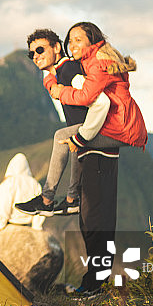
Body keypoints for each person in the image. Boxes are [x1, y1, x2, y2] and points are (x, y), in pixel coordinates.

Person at [30, 22, 147, 296]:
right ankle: (95, 278)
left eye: (78, 39)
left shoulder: (94, 64)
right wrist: (51, 81)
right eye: (71, 40)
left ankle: (95, 282)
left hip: (110, 135)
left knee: (96, 219)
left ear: (92, 40)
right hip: (105, 137)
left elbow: (97, 101)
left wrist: (81, 136)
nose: (73, 45)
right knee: (93, 218)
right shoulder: (88, 62)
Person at [16, 29, 111, 216]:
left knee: (61, 136)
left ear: (57, 47)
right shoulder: (60, 72)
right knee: (70, 136)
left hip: (98, 128)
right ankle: (71, 199)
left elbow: (95, 97)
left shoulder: (67, 69)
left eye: (40, 50)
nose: (35, 56)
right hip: (86, 132)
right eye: (31, 53)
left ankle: (46, 199)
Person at [0, 153, 45, 243]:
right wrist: (36, 226)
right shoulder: (35, 184)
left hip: (11, 220)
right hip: (27, 221)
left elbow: (4, 204)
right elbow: (40, 206)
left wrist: (2, 224)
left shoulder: (9, 182)